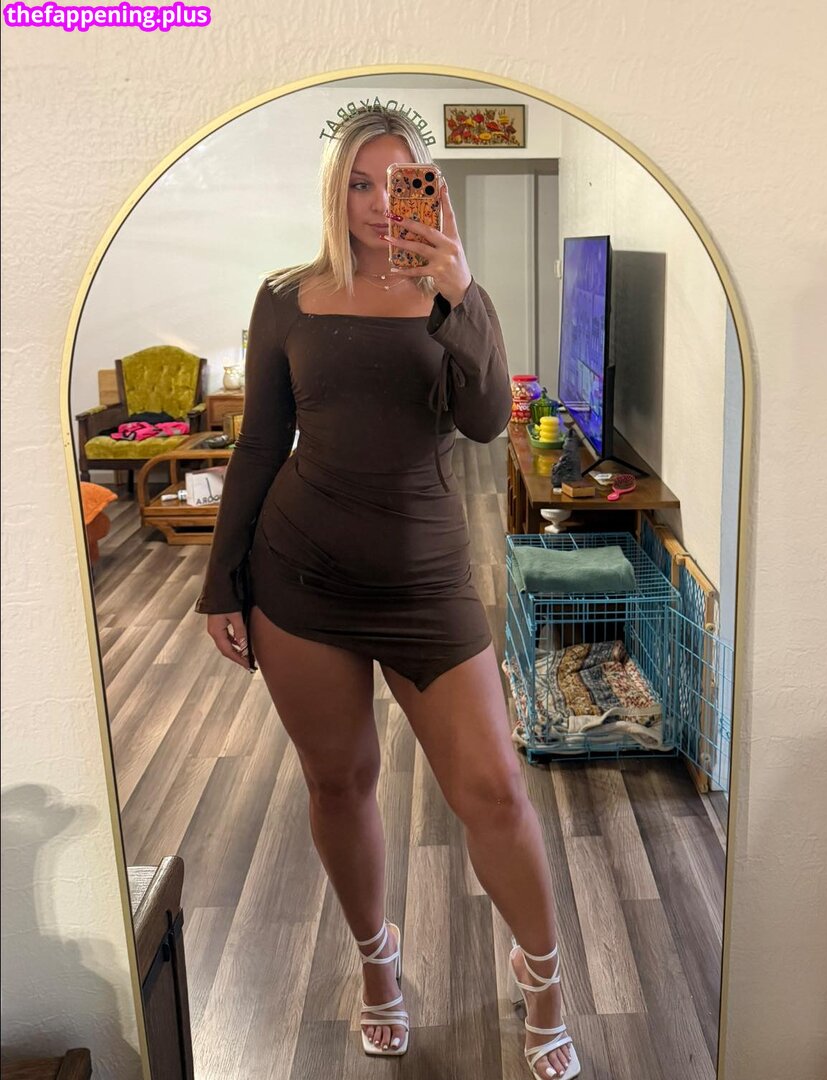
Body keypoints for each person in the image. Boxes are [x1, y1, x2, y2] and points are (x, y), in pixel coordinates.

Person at [194, 109, 580, 1080]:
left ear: (428, 189)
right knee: (339, 783)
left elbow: (485, 421)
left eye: (397, 182)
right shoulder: (285, 296)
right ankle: (377, 962)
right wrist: (220, 581)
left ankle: (543, 980)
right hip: (299, 576)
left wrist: (460, 292)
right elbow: (259, 444)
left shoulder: (449, 293)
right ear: (334, 190)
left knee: (493, 790)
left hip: (425, 578)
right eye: (358, 184)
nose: (377, 204)